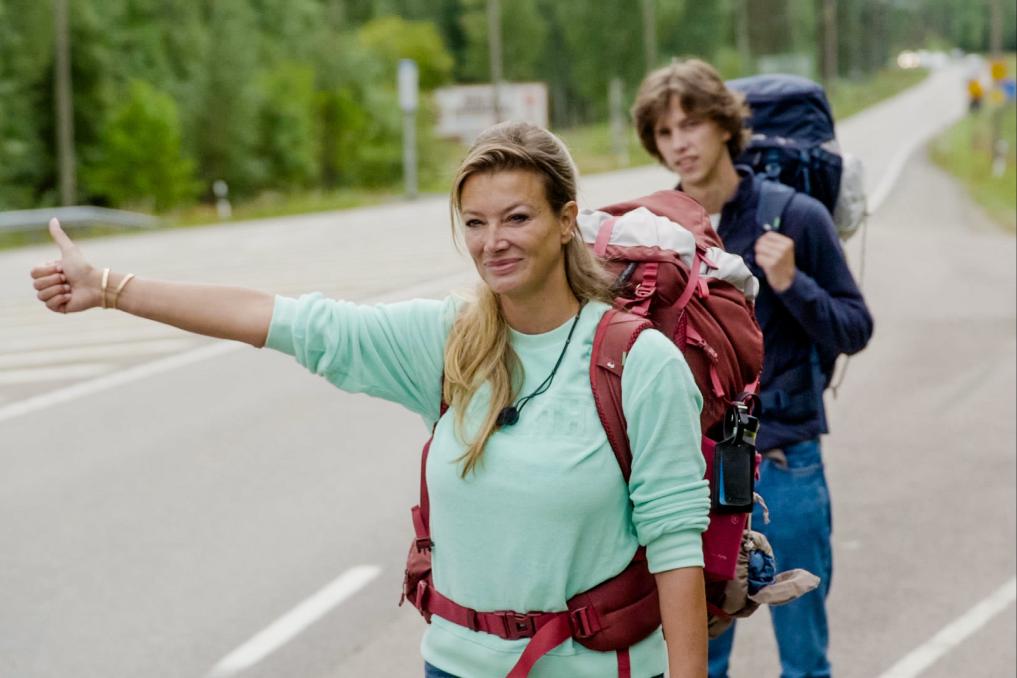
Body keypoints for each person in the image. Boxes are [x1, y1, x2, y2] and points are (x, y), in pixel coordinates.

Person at [31, 121, 712, 678]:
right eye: (473, 223)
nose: (492, 242)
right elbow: (283, 320)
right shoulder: (446, 340)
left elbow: (676, 555)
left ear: (565, 221)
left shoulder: (638, 364)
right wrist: (112, 288)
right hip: (452, 665)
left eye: (516, 218)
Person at [630, 60, 874, 678]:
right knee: (697, 658)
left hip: (787, 458)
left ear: (725, 125)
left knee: (803, 658)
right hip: (696, 470)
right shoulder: (657, 230)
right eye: (663, 132)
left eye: (692, 123)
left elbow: (854, 327)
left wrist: (793, 284)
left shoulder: (796, 216)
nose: (679, 142)